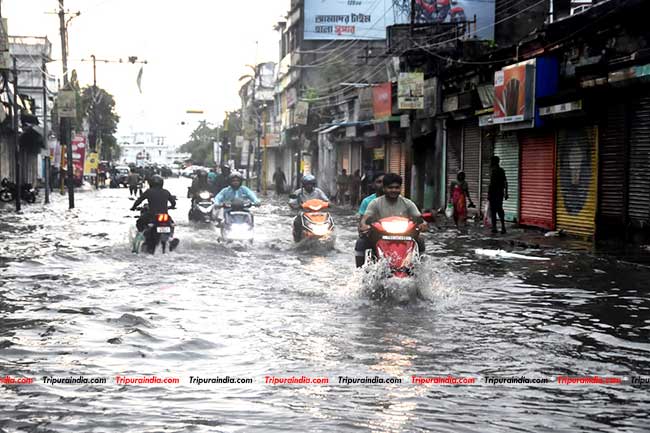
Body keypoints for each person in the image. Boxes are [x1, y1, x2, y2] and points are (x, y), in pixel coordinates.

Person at [358, 173, 427, 257]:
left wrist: (423, 224)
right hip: (379, 235)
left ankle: (419, 266)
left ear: (400, 188)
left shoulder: (408, 203)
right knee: (361, 242)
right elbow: (365, 218)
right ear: (384, 188)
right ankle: (361, 269)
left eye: (397, 187)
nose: (394, 190)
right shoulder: (375, 203)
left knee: (420, 241)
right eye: (390, 187)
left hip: (404, 235)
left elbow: (419, 217)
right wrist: (364, 225)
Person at [130, 175, 179, 250]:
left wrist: (133, 207)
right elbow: (173, 203)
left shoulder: (149, 191)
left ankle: (141, 238)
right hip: (165, 215)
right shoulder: (166, 192)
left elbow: (139, 200)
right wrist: (171, 207)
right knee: (171, 224)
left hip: (152, 215)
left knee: (139, 222)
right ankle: (170, 238)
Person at [354, 172, 384, 267]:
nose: (382, 184)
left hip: (395, 235)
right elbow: (362, 221)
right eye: (379, 182)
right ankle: (359, 271)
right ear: (373, 185)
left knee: (418, 241)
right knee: (360, 243)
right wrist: (364, 228)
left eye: (385, 182)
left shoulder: (401, 200)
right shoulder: (368, 201)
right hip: (374, 234)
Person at [291, 174, 329, 241]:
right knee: (297, 222)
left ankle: (330, 235)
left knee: (329, 220)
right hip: (303, 213)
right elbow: (291, 201)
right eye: (307, 184)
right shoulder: (298, 192)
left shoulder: (318, 191)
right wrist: (296, 205)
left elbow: (326, 200)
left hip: (318, 213)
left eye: (310, 184)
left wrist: (329, 204)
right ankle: (297, 239)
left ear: (313, 184)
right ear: (304, 185)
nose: (309, 186)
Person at [488, 155, 508, 234]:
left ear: (494, 162)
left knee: (494, 210)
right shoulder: (501, 170)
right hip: (499, 193)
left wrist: (489, 194)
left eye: (491, 161)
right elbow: (505, 182)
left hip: (495, 193)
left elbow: (492, 184)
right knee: (499, 209)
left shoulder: (494, 171)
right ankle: (501, 227)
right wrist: (506, 192)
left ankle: (495, 227)